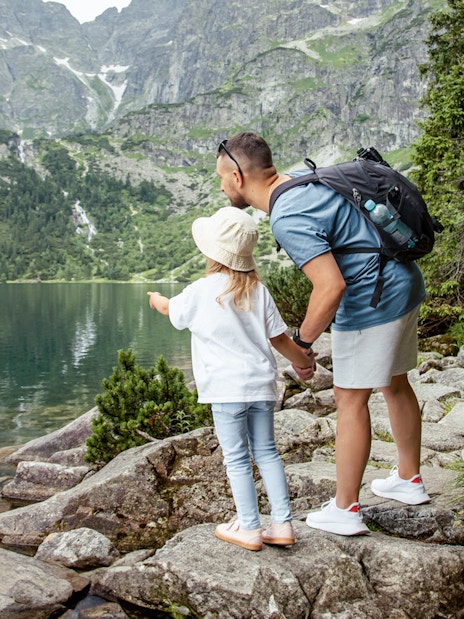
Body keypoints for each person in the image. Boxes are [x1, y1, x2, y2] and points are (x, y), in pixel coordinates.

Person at [215, 132, 431, 537]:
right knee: (396, 383)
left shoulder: (286, 214)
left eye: (222, 178)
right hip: (404, 281)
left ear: (239, 175)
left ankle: (346, 508)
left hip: (374, 298)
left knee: (349, 400)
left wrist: (302, 344)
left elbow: (330, 287)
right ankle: (409, 478)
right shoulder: (301, 182)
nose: (221, 185)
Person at [147, 206, 317, 550]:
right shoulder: (260, 291)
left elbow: (171, 311)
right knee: (267, 452)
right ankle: (282, 524)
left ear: (211, 252)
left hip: (225, 391)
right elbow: (280, 340)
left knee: (237, 458)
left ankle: (250, 527)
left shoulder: (199, 290)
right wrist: (304, 362)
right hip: (260, 387)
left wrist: (156, 299)